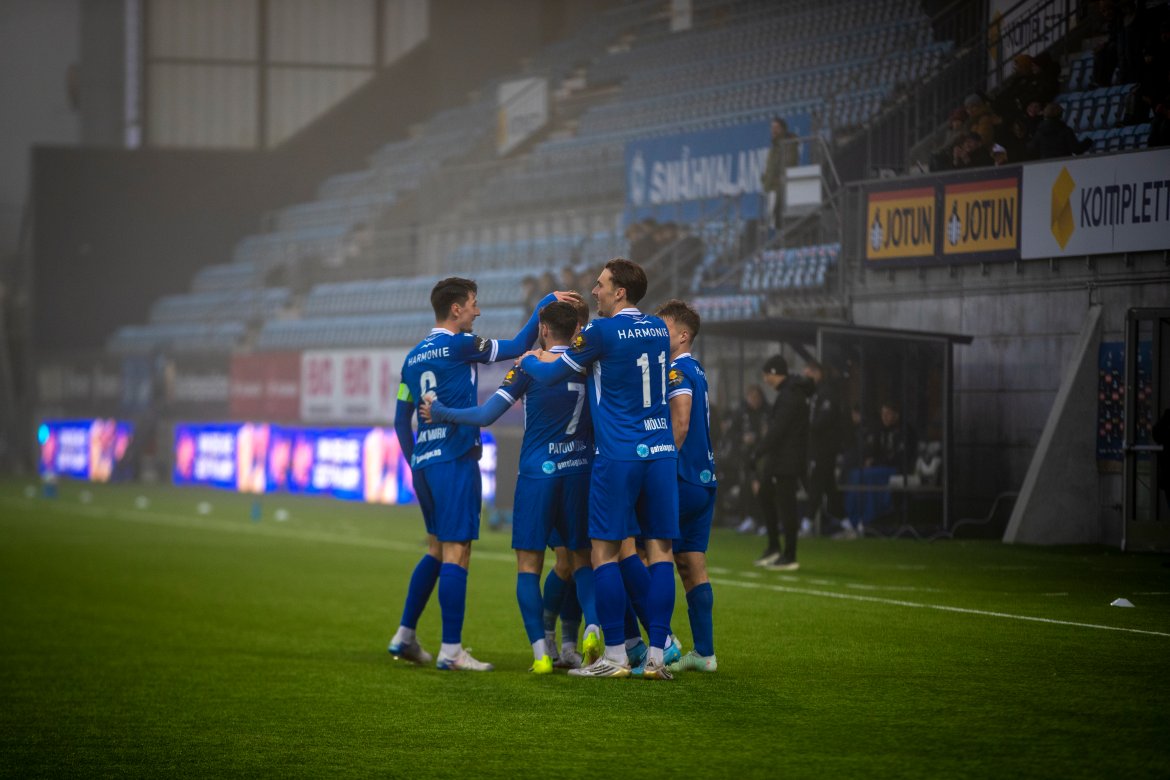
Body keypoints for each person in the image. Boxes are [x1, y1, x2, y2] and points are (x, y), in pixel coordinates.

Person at [387, 277, 573, 672]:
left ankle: (404, 634)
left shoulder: (413, 358)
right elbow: (519, 346)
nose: (478, 310)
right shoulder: (460, 345)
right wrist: (543, 305)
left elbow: (401, 420)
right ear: (456, 309)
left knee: (436, 549)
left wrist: (416, 460)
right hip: (455, 458)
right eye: (473, 303)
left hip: (425, 464)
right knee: (458, 552)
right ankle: (451, 651)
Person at [519, 258, 679, 680]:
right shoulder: (658, 329)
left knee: (603, 552)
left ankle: (616, 656)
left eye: (602, 284)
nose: (595, 291)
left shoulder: (600, 332)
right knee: (660, 552)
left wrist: (529, 359)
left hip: (619, 454)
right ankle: (657, 656)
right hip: (661, 451)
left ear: (620, 291)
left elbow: (552, 374)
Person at [422, 299, 598, 674]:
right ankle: (593, 630)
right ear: (576, 330)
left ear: (544, 330)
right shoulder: (589, 365)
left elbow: (486, 415)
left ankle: (541, 654)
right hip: (580, 471)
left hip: (538, 476)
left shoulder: (528, 366)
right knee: (582, 561)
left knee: (528, 566)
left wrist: (441, 413)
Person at [656, 299, 719, 673]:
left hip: (680, 476)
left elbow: (680, 424)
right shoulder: (698, 370)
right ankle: (705, 653)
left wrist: (663, 466)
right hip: (704, 478)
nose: (656, 334)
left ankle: (663, 642)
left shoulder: (677, 371)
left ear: (682, 335)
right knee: (692, 563)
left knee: (645, 553)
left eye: (663, 328)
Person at [752, 355, 810, 571]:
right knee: (765, 495)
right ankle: (774, 547)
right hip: (781, 459)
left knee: (787, 507)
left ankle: (789, 554)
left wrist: (759, 451)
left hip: (787, 460)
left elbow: (778, 430)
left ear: (775, 373)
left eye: (766, 375)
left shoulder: (790, 396)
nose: (765, 379)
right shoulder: (791, 393)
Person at [801, 360, 843, 538]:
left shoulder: (827, 393)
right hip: (817, 447)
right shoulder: (815, 393)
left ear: (817, 373)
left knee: (817, 483)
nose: (806, 377)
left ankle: (807, 524)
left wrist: (807, 426)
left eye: (808, 374)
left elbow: (823, 421)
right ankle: (846, 523)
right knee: (828, 486)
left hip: (824, 447)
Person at [761, 117, 798, 231]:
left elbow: (790, 163)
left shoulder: (789, 144)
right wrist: (765, 180)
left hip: (780, 188)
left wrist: (778, 179)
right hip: (771, 188)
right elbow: (770, 168)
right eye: (772, 127)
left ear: (783, 129)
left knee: (777, 221)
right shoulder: (773, 147)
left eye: (776, 127)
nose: (773, 130)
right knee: (771, 222)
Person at [1028, 103, 1093, 160]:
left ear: (1045, 114)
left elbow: (1032, 148)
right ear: (1061, 115)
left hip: (1046, 164)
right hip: (1064, 163)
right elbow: (1077, 150)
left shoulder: (1040, 131)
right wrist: (1088, 142)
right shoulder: (1066, 130)